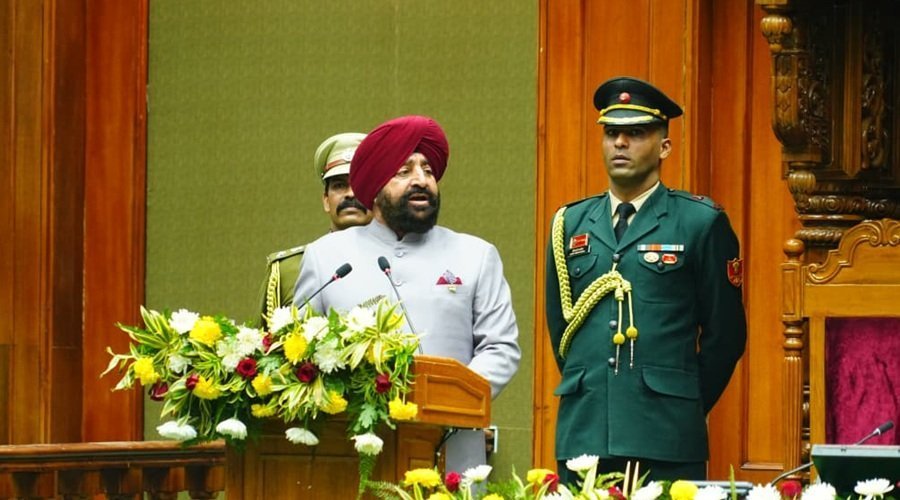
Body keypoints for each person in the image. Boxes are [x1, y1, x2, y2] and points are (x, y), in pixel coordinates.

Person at [545, 76, 747, 482]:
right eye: (611, 133)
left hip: (666, 436)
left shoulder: (700, 222)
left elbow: (725, 337)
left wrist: (681, 401)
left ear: (664, 147)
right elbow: (562, 332)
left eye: (636, 133)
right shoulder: (569, 224)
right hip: (584, 434)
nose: (620, 143)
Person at [293, 115, 521, 472]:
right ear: (374, 185)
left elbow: (500, 348)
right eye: (403, 171)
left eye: (428, 171)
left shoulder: (476, 255)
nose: (421, 180)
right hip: (350, 454)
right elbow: (300, 351)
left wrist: (444, 399)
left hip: (449, 448)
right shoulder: (325, 257)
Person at [256, 133, 372, 329]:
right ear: (326, 200)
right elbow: (266, 343)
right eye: (339, 186)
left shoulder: (395, 262)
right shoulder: (289, 269)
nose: (351, 193)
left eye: (360, 184)